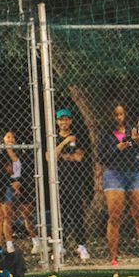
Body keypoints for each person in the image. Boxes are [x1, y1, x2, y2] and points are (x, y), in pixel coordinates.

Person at [97, 104, 139, 267]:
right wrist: (118, 148)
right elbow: (101, 158)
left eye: (121, 114)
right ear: (110, 116)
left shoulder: (132, 131)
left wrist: (138, 142)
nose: (119, 117)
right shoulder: (105, 134)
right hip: (114, 175)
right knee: (115, 217)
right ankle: (114, 257)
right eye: (116, 114)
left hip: (134, 175)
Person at [54, 108, 92, 261]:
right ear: (57, 121)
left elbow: (78, 157)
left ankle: (81, 245)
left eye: (66, 119)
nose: (63, 122)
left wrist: (62, 156)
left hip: (75, 179)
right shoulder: (54, 138)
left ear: (70, 120)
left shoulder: (78, 137)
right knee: (60, 213)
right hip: (58, 180)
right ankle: (60, 245)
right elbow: (51, 157)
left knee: (77, 213)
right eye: (60, 119)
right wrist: (64, 142)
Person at [1, 130, 37, 253]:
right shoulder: (0, 153)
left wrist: (19, 183)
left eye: (12, 137)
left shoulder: (21, 151)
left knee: (26, 213)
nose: (11, 139)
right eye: (8, 137)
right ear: (3, 139)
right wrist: (11, 183)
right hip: (6, 185)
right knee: (7, 215)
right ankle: (9, 245)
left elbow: (26, 170)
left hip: (22, 184)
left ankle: (36, 242)